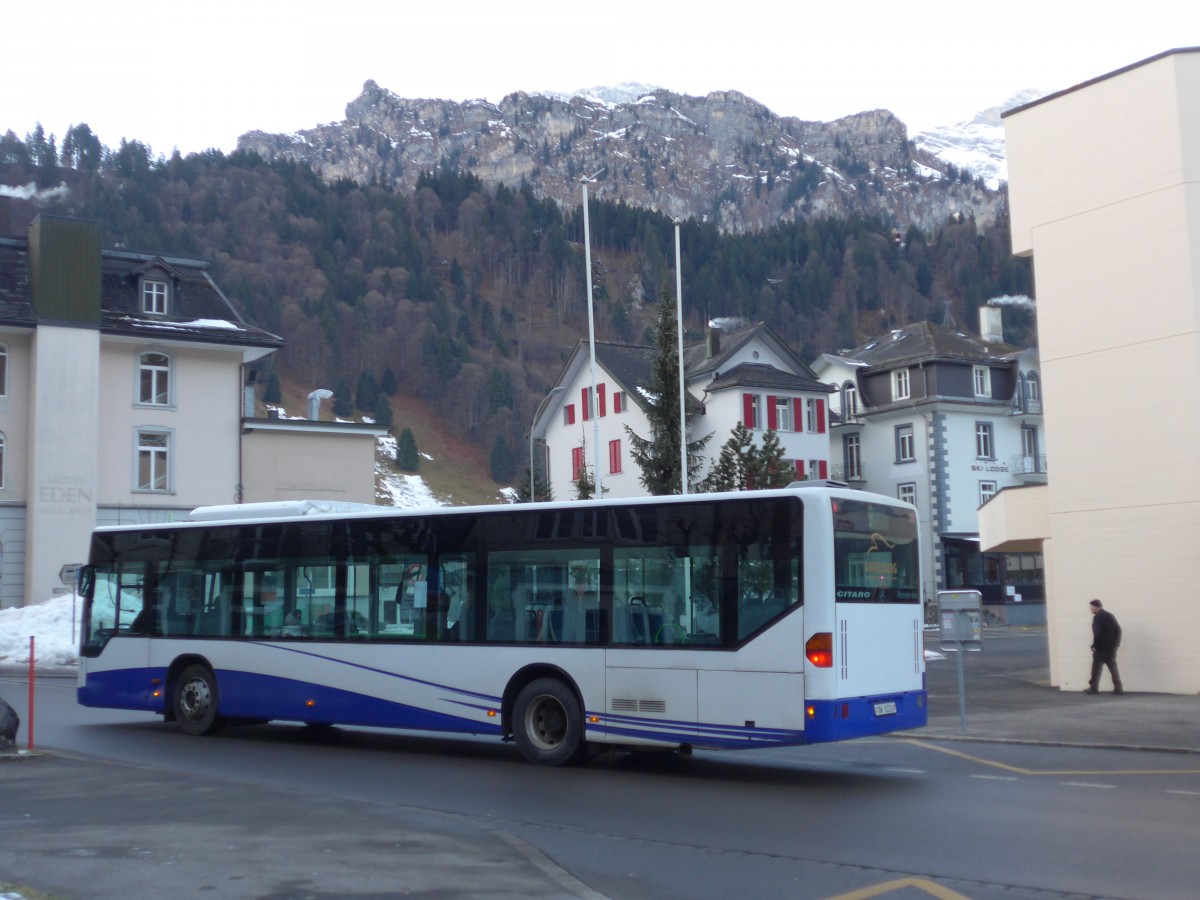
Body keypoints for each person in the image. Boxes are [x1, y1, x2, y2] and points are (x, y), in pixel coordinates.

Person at [1085, 598, 1123, 694]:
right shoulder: (1110, 615)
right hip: (1111, 648)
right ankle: (1118, 688)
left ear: (1096, 607)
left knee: (1096, 668)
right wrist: (1116, 644)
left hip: (1101, 648)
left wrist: (1095, 645)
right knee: (1113, 668)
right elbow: (1118, 630)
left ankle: (1093, 687)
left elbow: (1097, 633)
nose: (1090, 609)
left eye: (1091, 607)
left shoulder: (1098, 617)